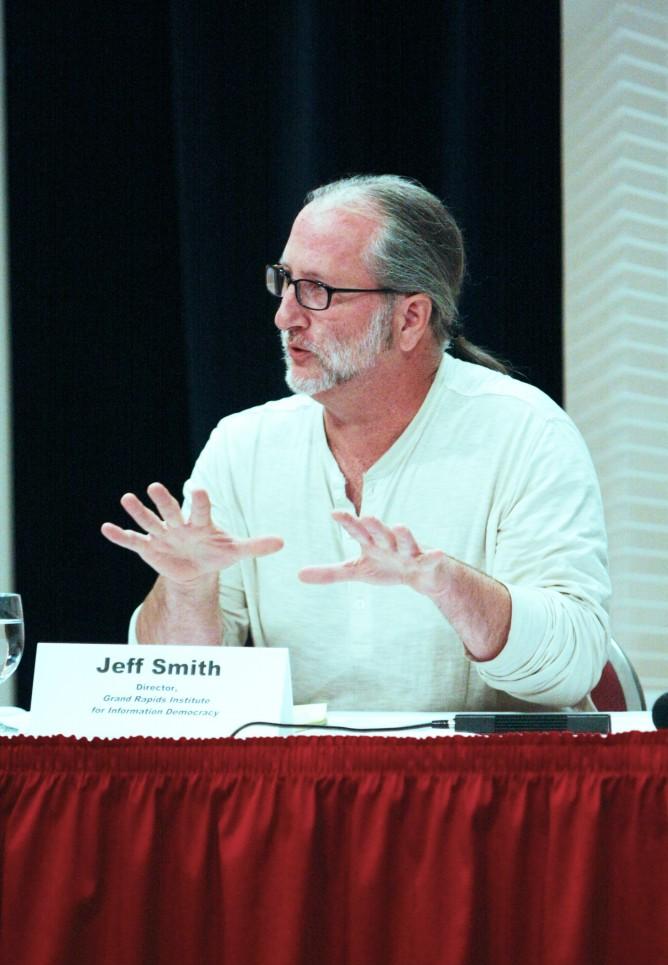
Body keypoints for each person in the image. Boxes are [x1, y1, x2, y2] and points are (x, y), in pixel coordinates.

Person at [101, 174, 610, 712]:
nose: (284, 317)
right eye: (285, 280)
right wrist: (186, 587)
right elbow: (177, 693)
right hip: (301, 784)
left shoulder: (525, 430)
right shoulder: (243, 444)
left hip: (482, 786)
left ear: (410, 318)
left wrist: (447, 584)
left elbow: (570, 670)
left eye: (317, 291)